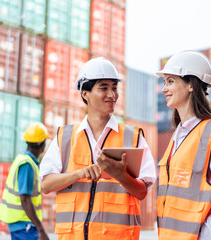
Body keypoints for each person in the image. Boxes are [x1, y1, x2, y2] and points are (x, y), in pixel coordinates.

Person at [39, 57, 156, 240]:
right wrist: (80, 173)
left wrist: (120, 175)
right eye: (104, 88)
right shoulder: (65, 137)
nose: (112, 95)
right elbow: (46, 184)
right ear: (85, 94)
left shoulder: (133, 137)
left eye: (114, 88)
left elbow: (142, 192)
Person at [155, 50, 211, 240]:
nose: (164, 88)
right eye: (165, 82)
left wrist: (207, 237)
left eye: (170, 81)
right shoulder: (178, 135)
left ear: (190, 85)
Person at [0, 122, 50, 240]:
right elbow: (25, 199)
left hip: (21, 224)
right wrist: (40, 229)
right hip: (25, 225)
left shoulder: (22, 159)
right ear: (42, 144)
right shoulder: (27, 164)